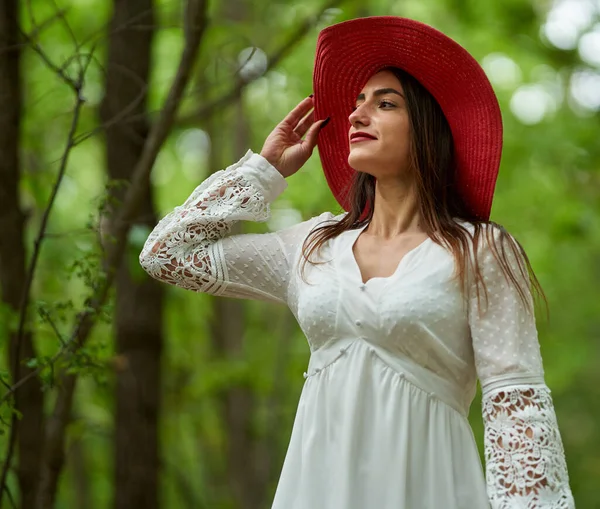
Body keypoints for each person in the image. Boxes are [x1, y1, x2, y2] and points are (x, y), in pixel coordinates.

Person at [139, 16, 575, 509]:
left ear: (429, 129)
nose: (356, 115)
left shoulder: (481, 250)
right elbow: (165, 255)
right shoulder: (312, 246)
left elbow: (517, 412)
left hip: (429, 488)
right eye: (356, 104)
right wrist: (262, 173)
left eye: (384, 103)